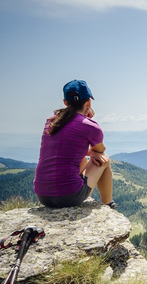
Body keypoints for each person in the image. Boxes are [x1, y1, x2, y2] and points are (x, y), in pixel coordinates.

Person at [33, 79, 114, 208]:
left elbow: (70, 145)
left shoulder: (52, 121)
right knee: (104, 160)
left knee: (82, 157)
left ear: (65, 102)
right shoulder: (91, 126)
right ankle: (109, 204)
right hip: (69, 197)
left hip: (42, 195)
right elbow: (100, 150)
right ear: (88, 102)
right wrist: (93, 150)